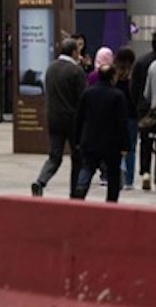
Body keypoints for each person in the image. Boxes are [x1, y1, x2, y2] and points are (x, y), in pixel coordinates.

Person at [31, 37, 85, 197]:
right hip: (72, 120)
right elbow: (83, 98)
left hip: (53, 117)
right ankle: (75, 192)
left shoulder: (51, 68)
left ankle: (40, 181)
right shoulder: (76, 71)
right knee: (77, 157)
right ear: (74, 52)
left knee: (55, 156)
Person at [72, 61, 129, 202]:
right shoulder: (117, 95)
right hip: (111, 142)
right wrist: (125, 145)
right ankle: (111, 199)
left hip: (90, 139)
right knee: (113, 173)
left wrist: (77, 140)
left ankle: (80, 187)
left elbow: (79, 117)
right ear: (112, 77)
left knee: (87, 167)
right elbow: (122, 122)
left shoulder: (88, 92)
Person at [131, 29, 156, 190]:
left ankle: (145, 171)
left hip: (144, 106)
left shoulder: (141, 61)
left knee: (145, 141)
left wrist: (137, 104)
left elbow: (134, 86)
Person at [113, 46, 138, 188]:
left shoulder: (113, 75)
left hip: (115, 115)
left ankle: (117, 173)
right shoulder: (133, 76)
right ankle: (129, 180)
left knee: (115, 146)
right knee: (131, 147)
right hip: (131, 115)